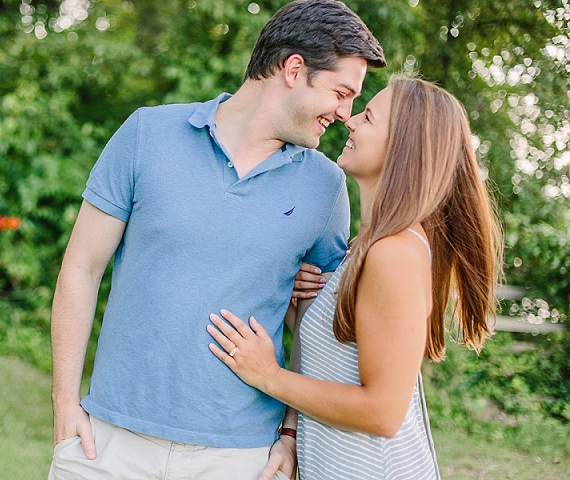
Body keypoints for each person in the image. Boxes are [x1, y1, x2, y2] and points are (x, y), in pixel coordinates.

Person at [48, 1, 385, 479]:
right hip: (106, 442)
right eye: (341, 92)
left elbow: (314, 323)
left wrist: (291, 436)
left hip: (240, 459)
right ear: (294, 69)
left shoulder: (326, 186)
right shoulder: (147, 133)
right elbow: (81, 268)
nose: (346, 113)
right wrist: (64, 404)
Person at [207, 75, 503, 479]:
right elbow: (348, 353)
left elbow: (382, 412)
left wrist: (269, 376)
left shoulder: (393, 252)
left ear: (402, 148)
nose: (350, 120)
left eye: (369, 117)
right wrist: (299, 307)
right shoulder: (370, 245)